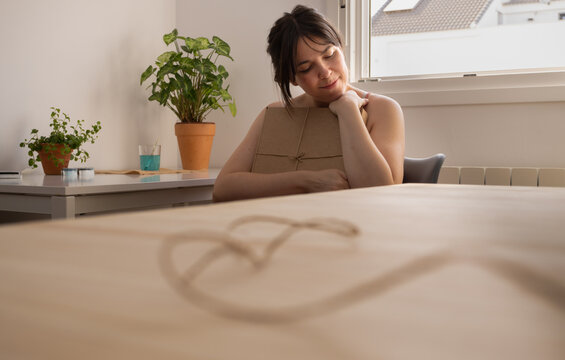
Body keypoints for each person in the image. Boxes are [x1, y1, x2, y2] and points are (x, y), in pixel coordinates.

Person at [212, 5, 404, 202]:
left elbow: (382, 194)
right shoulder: (274, 114)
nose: (325, 72)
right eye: (306, 68)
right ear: (292, 78)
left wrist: (348, 110)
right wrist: (306, 181)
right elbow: (222, 188)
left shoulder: (382, 109)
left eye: (329, 55)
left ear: (341, 48)